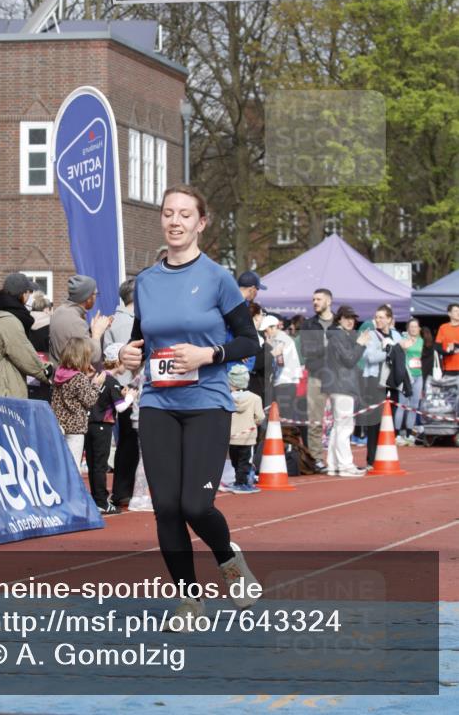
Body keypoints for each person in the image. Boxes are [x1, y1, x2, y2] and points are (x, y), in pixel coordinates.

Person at [119, 185, 260, 625]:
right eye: (168, 214)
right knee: (166, 507)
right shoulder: (146, 281)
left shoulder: (218, 277)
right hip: (160, 402)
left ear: (201, 223)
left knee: (196, 507)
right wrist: (127, 355)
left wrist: (208, 355)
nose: (175, 221)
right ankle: (189, 598)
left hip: (207, 402)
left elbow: (246, 341)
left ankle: (228, 560)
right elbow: (140, 341)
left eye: (184, 214)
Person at [0, 274, 50, 399]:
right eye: (29, 292)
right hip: (5, 390)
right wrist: (52, 375)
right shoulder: (10, 321)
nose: (30, 296)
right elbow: (27, 359)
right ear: (23, 295)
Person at [104, 277, 140, 507]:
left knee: (127, 439)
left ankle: (122, 489)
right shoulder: (128, 323)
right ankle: (123, 490)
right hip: (131, 386)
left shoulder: (114, 320)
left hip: (120, 383)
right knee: (130, 440)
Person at [324, 306, 370, 476]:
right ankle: (345, 465)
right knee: (345, 427)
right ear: (339, 319)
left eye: (353, 318)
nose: (351, 321)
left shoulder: (337, 334)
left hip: (339, 385)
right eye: (347, 317)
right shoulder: (338, 335)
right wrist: (360, 345)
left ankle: (334, 464)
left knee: (338, 427)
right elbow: (350, 360)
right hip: (343, 386)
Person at [85, 343, 131, 514]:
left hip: (90, 424)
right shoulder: (113, 382)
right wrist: (130, 398)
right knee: (99, 465)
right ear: (117, 361)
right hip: (102, 426)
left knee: (93, 464)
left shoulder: (98, 377)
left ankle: (96, 498)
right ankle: (102, 501)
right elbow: (120, 408)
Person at [299, 288, 337, 473]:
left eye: (319, 299)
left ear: (328, 301)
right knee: (315, 420)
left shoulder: (339, 322)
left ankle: (339, 458)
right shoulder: (308, 325)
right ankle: (316, 459)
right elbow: (307, 350)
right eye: (313, 299)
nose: (315, 302)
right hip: (316, 375)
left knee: (342, 420)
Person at [51, 337, 102, 471]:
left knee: (60, 463)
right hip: (76, 427)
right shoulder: (79, 378)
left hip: (59, 423)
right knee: (73, 465)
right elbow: (90, 400)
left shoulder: (59, 374)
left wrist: (86, 378)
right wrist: (96, 385)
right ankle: (73, 491)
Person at [361, 305, 402, 469]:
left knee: (389, 419)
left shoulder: (396, 335)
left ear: (389, 319)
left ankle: (385, 455)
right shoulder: (370, 335)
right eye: (376, 317)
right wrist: (390, 353)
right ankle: (371, 459)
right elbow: (370, 357)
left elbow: (402, 355)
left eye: (382, 317)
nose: (378, 320)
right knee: (374, 420)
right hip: (374, 380)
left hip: (392, 381)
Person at [49, 275, 112, 369]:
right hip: (70, 381)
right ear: (88, 297)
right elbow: (93, 357)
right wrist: (97, 333)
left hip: (60, 376)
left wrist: (91, 330)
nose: (95, 298)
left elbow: (73, 344)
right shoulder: (74, 321)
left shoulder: (60, 311)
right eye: (95, 294)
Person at [227, 364, 264, 493]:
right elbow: (260, 417)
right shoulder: (255, 398)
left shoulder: (227, 398)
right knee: (245, 461)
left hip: (231, 437)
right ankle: (241, 483)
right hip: (248, 438)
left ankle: (238, 480)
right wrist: (254, 422)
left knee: (235, 460)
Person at [261, 313, 302, 423]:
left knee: (284, 417)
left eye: (265, 331)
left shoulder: (280, 340)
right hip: (286, 381)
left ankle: (286, 439)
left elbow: (280, 362)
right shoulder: (283, 338)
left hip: (284, 382)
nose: (265, 334)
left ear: (272, 328)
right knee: (283, 416)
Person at [395, 317, 426, 445]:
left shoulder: (423, 342)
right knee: (402, 404)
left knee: (414, 406)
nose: (413, 329)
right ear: (408, 329)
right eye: (411, 327)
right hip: (406, 376)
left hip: (418, 375)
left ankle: (408, 433)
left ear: (419, 329)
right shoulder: (403, 341)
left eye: (415, 327)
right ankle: (397, 434)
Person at [436, 303, 459, 376]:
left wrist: (456, 346)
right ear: (449, 314)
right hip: (448, 368)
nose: (458, 313)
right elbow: (437, 346)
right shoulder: (443, 328)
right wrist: (447, 352)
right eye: (456, 311)